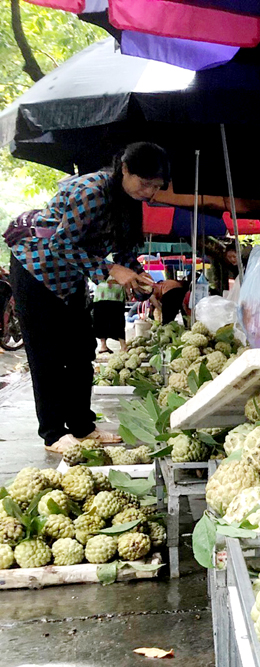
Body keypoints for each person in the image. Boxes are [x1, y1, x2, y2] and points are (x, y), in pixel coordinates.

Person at [8, 142, 168, 453]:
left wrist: (140, 277)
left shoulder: (129, 203)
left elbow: (125, 252)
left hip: (68, 278)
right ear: (124, 170)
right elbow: (60, 245)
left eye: (157, 186)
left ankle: (82, 427)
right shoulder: (91, 189)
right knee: (46, 354)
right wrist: (109, 269)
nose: (149, 192)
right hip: (34, 269)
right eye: (144, 182)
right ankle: (53, 434)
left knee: (82, 349)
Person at [92, 274, 128, 354]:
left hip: (107, 294)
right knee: (113, 321)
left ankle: (119, 346)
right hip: (109, 295)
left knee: (108, 320)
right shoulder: (118, 265)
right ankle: (118, 346)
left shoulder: (101, 264)